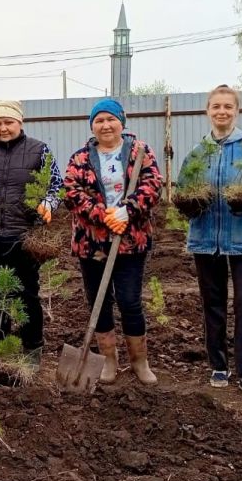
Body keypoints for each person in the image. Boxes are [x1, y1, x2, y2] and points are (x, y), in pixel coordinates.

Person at [179, 85, 242, 397]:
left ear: (237, 111)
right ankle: (218, 366)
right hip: (206, 239)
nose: (222, 111)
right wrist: (188, 203)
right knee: (214, 304)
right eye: (216, 106)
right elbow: (184, 189)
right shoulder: (198, 153)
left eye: (228, 106)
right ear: (207, 111)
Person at [61, 98, 163, 385]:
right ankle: (108, 361)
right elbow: (71, 191)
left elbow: (153, 184)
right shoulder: (80, 158)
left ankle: (139, 361)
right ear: (92, 126)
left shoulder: (139, 152)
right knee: (98, 302)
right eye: (99, 121)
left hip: (130, 240)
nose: (105, 125)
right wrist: (103, 215)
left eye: (111, 119)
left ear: (122, 122)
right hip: (91, 242)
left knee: (130, 301)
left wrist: (127, 211)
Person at [0, 99, 62, 359]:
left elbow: (55, 187)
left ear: (20, 122)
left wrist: (47, 204)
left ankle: (32, 348)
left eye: (8, 122)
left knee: (28, 294)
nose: (3, 128)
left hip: (24, 237)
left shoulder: (40, 150)